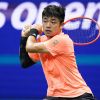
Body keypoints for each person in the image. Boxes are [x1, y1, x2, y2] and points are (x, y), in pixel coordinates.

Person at [19, 5, 95, 100]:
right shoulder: (41, 40)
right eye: (45, 21)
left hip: (78, 95)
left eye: (53, 22)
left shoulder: (62, 40)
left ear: (61, 25)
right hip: (54, 95)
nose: (48, 25)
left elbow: (30, 47)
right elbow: (25, 63)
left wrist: (33, 32)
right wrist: (23, 37)